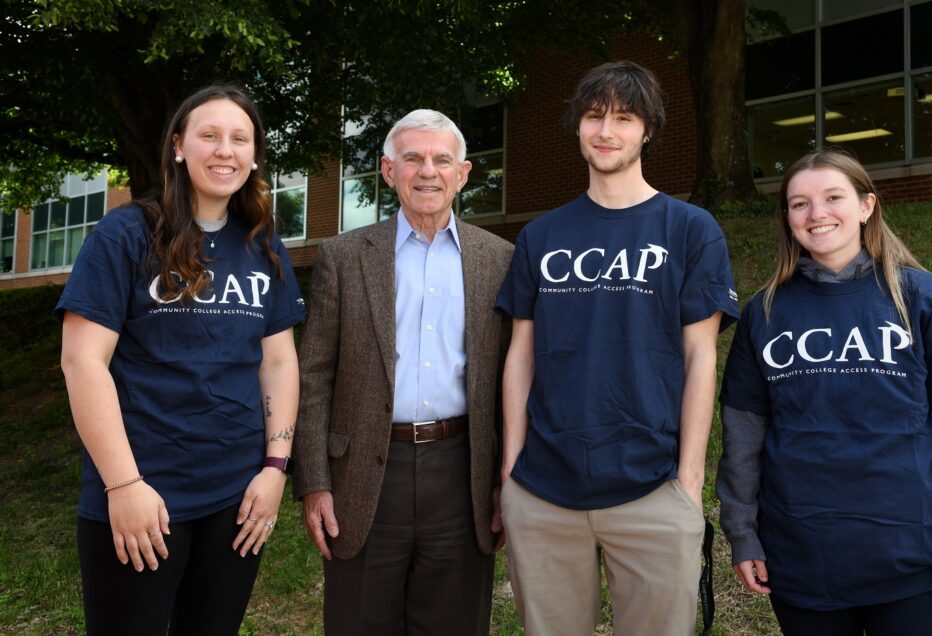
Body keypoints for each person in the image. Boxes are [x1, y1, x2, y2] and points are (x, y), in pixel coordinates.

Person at [496, 61, 740, 635]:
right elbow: (521, 355)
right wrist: (511, 471)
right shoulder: (541, 235)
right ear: (578, 127)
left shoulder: (690, 228)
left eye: (624, 118)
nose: (606, 130)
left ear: (648, 131)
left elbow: (701, 356)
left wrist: (688, 478)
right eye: (594, 116)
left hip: (653, 487)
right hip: (543, 492)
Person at [716, 148, 932, 635]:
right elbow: (742, 438)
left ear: (867, 205)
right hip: (802, 560)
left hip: (913, 562)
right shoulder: (764, 313)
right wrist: (743, 534)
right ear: (787, 217)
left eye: (833, 197)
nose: (817, 214)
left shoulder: (920, 297)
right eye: (799, 203)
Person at [57, 85, 305, 634]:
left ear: (255, 155)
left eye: (240, 138)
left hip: (237, 498)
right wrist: (123, 487)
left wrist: (275, 468)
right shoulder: (126, 233)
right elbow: (82, 362)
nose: (225, 150)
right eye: (209, 135)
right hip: (142, 494)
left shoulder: (263, 245)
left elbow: (279, 363)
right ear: (178, 147)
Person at [292, 108, 513, 636]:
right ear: (389, 172)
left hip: (464, 472)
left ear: (463, 174)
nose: (427, 171)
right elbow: (314, 375)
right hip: (365, 474)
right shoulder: (343, 257)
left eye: (442, 159)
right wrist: (314, 483)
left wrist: (508, 479)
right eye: (412, 158)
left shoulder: (502, 259)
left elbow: (513, 378)